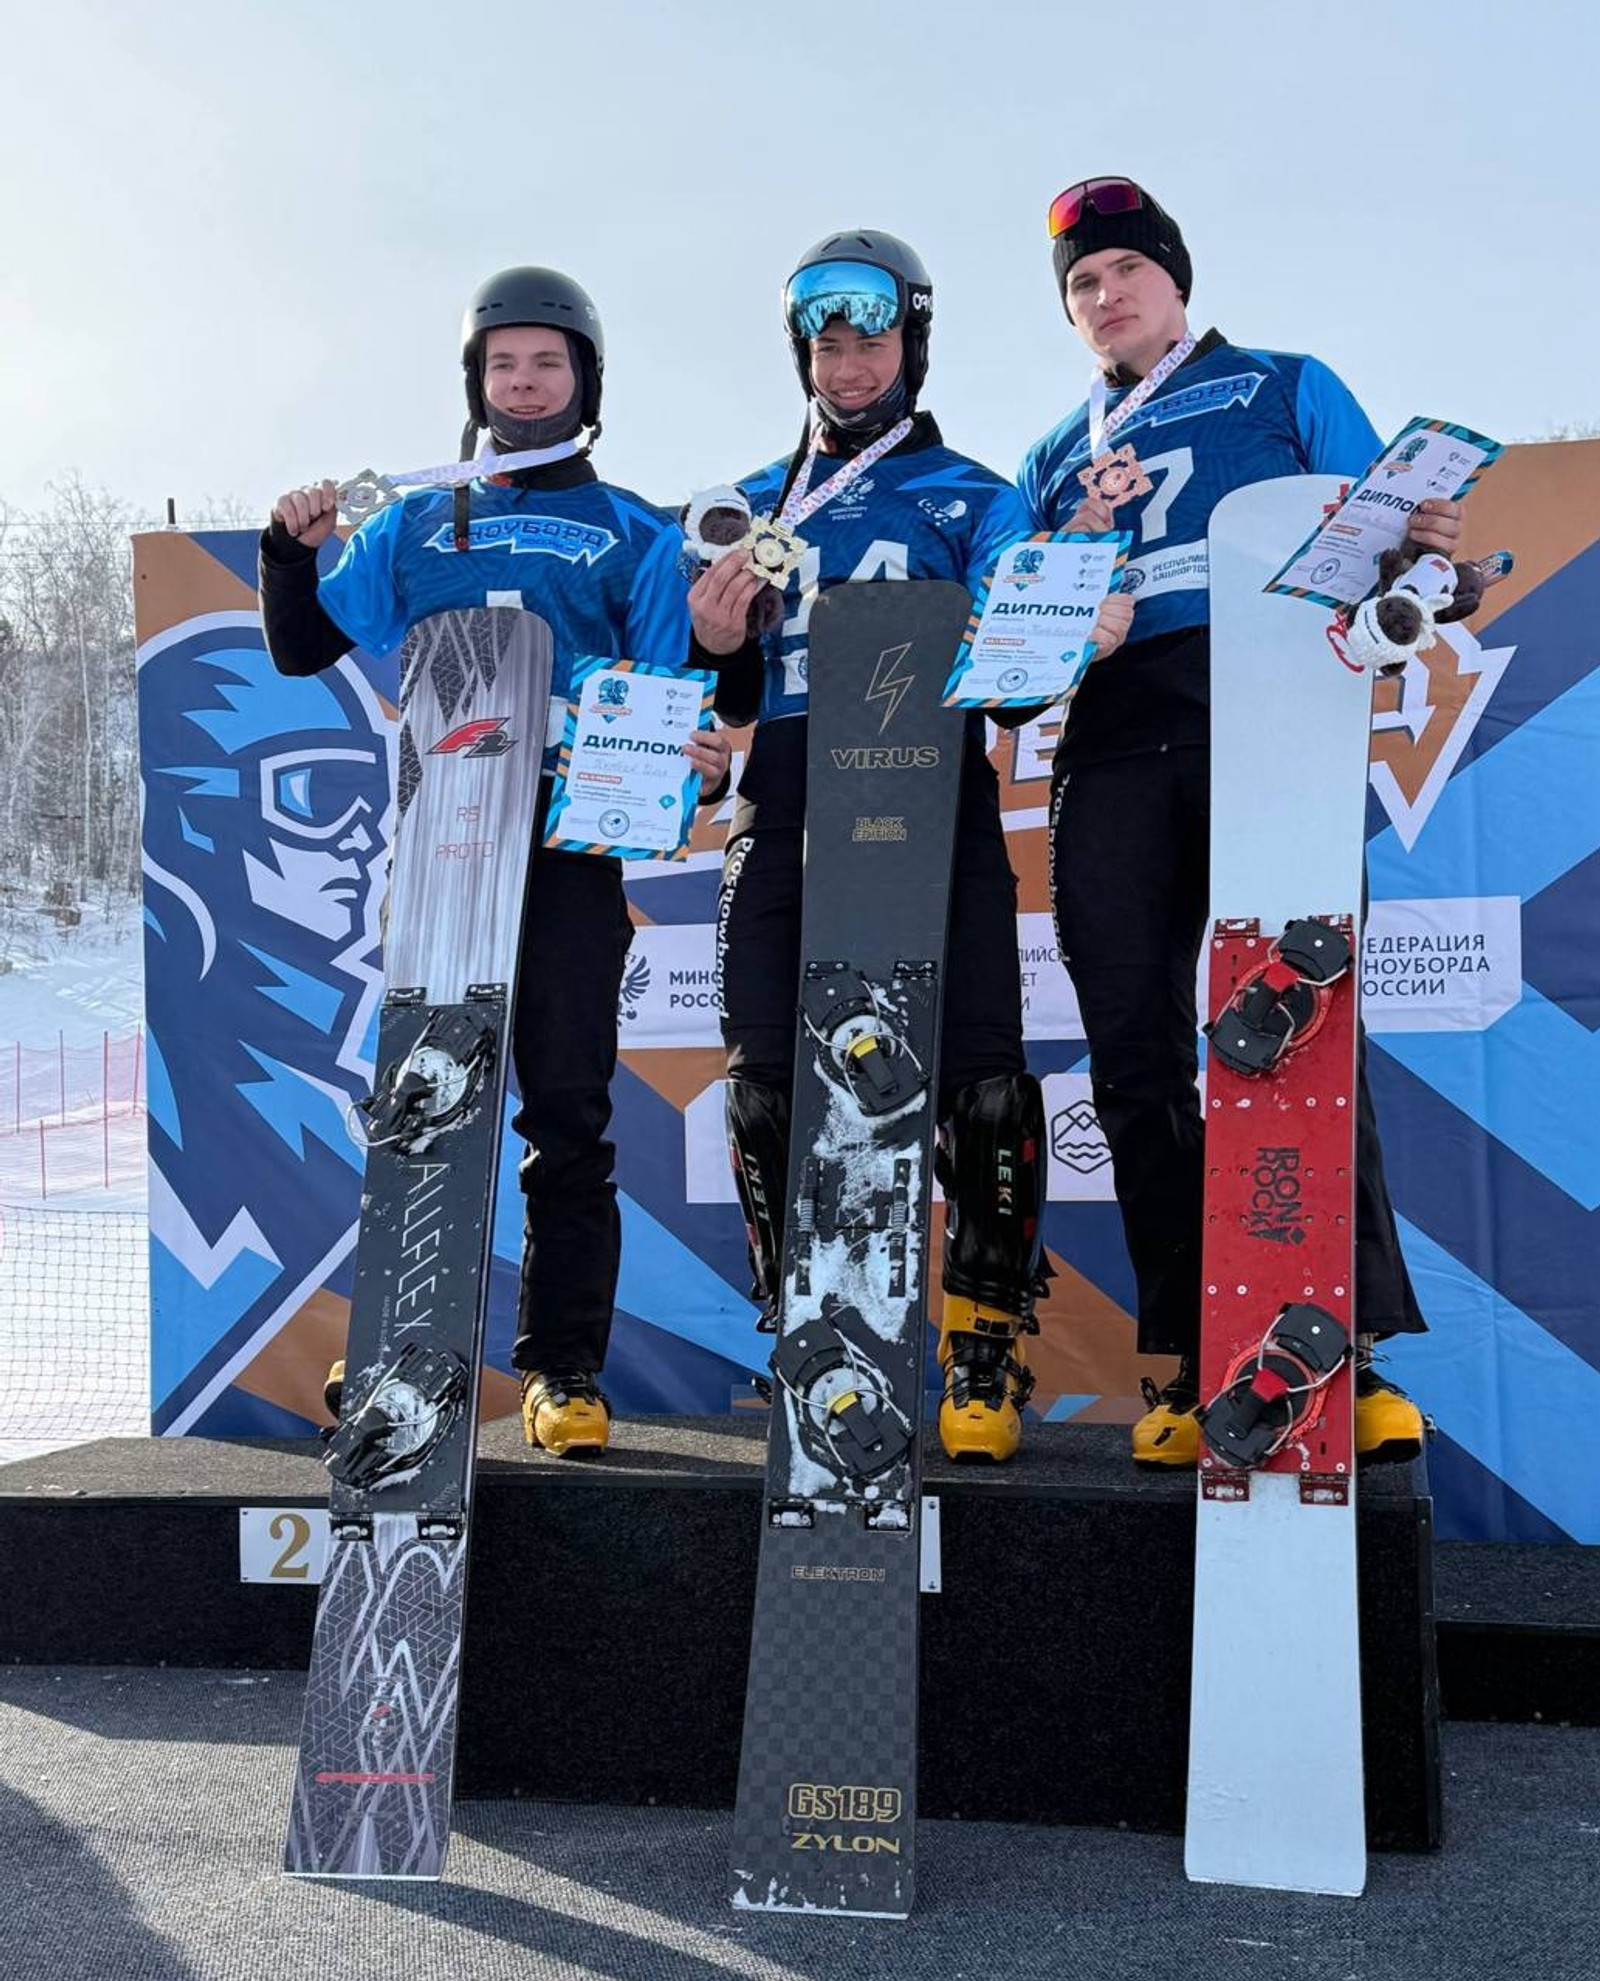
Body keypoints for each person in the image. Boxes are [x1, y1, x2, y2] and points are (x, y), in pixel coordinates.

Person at [1015, 178, 1465, 1466]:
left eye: (1126, 270)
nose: (1106, 295)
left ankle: (1347, 1346)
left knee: (1298, 1019)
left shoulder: (1282, 381)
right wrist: (1068, 568)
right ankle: (1186, 1356)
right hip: (1111, 735)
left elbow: (1399, 557)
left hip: (1262, 710)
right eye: (1081, 285)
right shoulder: (1051, 452)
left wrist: (1430, 549)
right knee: (1131, 1051)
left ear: (1176, 279)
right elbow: (1022, 643)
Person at [259, 266, 727, 1456]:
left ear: (585, 380)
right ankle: (398, 1349)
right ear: (474, 380)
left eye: (546, 362)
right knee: (427, 1099)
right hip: (444, 846)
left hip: (568, 851)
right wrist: (285, 553)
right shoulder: (414, 520)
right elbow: (303, 646)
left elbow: (667, 687)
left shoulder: (633, 527)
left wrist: (676, 756)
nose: (524, 382)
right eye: (502, 363)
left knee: (567, 1113)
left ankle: (562, 1370)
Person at [688, 230, 1134, 1462]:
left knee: (982, 1085)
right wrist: (713, 641)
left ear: (913, 346)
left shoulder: (977, 497)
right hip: (785, 800)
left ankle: (983, 1347)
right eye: (827, 346)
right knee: (764, 1087)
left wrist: (1066, 632)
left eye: (870, 343)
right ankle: (806, 1330)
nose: (848, 366)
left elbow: (1011, 688)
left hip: (928, 795)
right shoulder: (744, 505)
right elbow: (710, 697)